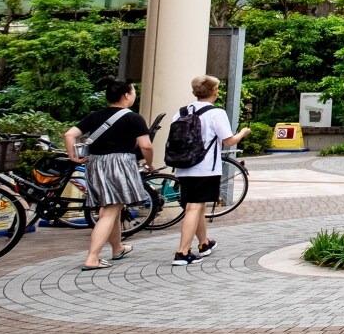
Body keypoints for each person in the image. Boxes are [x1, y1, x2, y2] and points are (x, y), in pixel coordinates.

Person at [65, 79, 153, 272]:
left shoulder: (95, 116)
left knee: (110, 208)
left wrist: (72, 155)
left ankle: (117, 248)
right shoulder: (134, 118)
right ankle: (92, 257)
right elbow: (146, 145)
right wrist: (149, 163)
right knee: (110, 211)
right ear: (126, 95)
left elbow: (69, 135)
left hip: (95, 164)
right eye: (133, 92)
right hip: (120, 164)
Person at [170, 75, 251, 266]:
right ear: (214, 91)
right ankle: (182, 252)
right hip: (205, 168)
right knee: (194, 207)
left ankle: (204, 243)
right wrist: (243, 133)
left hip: (183, 166)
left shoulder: (181, 112)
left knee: (196, 206)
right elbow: (228, 140)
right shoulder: (216, 113)